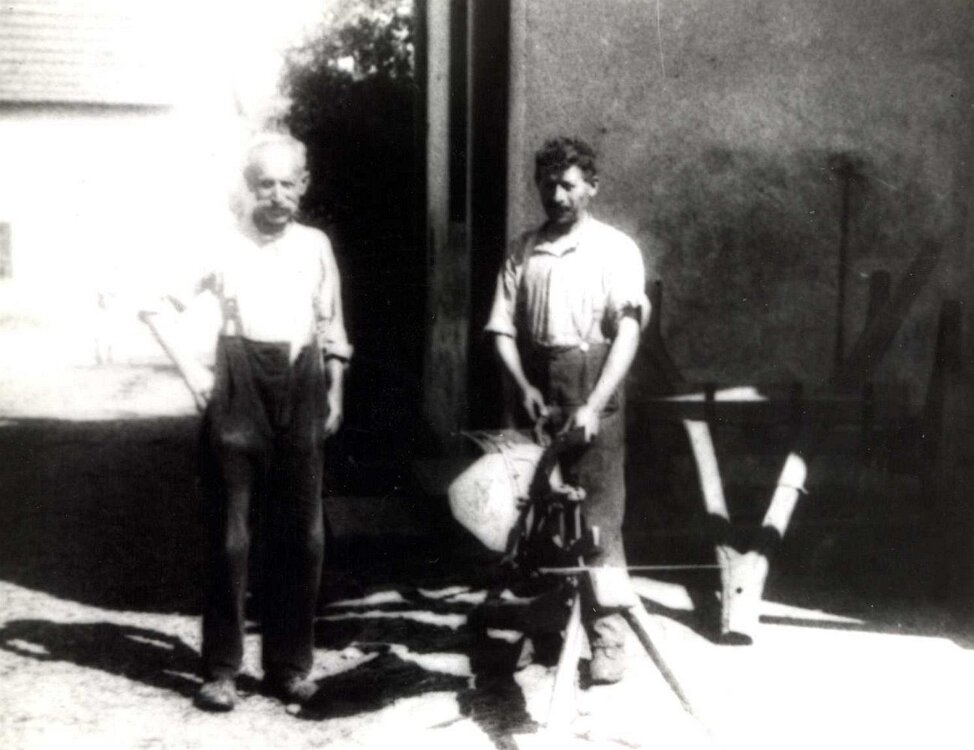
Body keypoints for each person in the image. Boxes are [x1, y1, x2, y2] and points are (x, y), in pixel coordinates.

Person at [141, 133, 351, 711]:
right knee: (231, 539)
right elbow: (154, 304)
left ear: (303, 186)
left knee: (303, 537)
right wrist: (194, 374)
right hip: (238, 391)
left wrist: (334, 390)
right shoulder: (224, 246)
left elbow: (333, 327)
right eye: (265, 184)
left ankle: (290, 666)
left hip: (303, 387)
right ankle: (222, 671)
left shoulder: (314, 246)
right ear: (248, 187)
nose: (276, 195)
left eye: (287, 184)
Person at [485, 136, 648, 684]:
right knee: (534, 513)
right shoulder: (524, 249)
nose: (556, 196)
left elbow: (628, 333)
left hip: (593, 379)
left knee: (599, 514)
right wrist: (522, 387)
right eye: (547, 185)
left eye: (568, 186)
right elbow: (502, 329)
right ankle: (542, 627)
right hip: (536, 384)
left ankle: (607, 638)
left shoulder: (614, 248)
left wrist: (594, 404)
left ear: (592, 187)